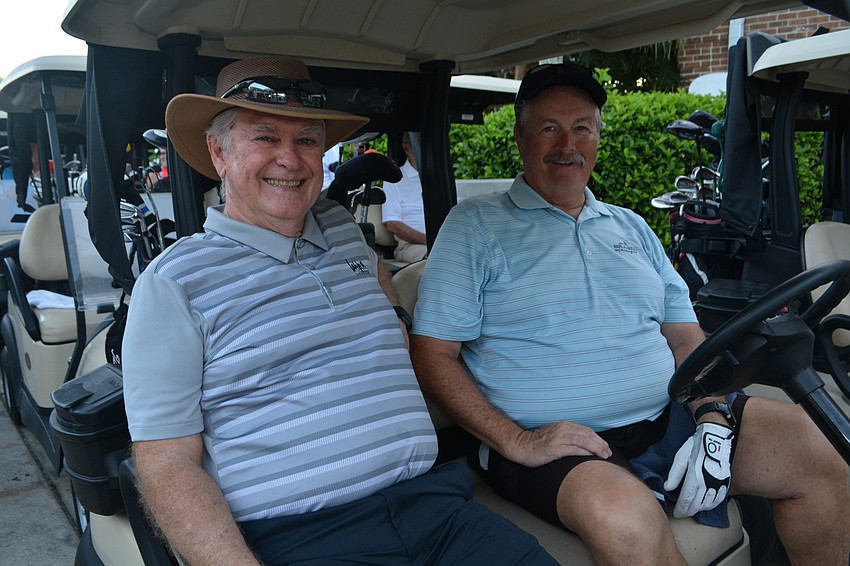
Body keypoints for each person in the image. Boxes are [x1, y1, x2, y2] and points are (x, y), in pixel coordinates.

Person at [121, 55, 556, 566]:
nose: (290, 159)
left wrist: (393, 315)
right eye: (265, 137)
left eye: (307, 140)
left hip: (435, 511)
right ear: (218, 152)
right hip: (304, 538)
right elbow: (167, 462)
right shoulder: (174, 283)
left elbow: (372, 269)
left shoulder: (338, 228)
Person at [410, 62, 850, 565]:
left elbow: (685, 334)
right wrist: (517, 440)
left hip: (668, 416)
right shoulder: (475, 225)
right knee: (629, 525)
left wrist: (711, 409)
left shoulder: (631, 227)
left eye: (581, 128)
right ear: (520, 136)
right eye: (548, 128)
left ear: (598, 136)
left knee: (820, 446)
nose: (566, 145)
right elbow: (432, 353)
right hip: (553, 444)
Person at [382, 132, 427, 262]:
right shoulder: (394, 179)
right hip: (410, 246)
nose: (425, 147)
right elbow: (393, 224)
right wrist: (429, 241)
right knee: (440, 257)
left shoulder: (438, 178)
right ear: (406, 148)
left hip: (441, 243)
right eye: (420, 143)